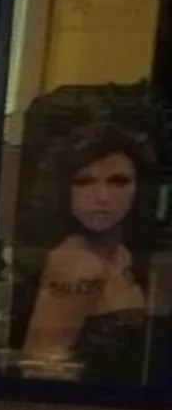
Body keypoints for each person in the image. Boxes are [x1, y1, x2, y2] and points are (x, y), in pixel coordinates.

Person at [19, 123, 159, 384]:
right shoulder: (75, 262)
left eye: (118, 181)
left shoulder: (123, 256)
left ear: (139, 188)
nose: (102, 196)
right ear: (63, 189)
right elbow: (41, 367)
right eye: (84, 181)